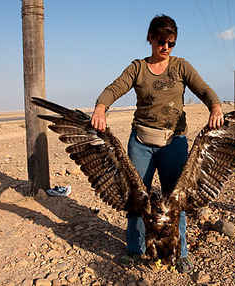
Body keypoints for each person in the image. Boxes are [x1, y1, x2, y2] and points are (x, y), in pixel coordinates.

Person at [91, 14, 224, 273]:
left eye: (171, 43)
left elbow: (204, 89)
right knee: (137, 200)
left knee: (177, 201)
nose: (165, 48)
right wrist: (100, 107)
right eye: (161, 41)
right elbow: (115, 88)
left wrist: (216, 107)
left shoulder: (181, 66)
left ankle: (181, 253)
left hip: (174, 143)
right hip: (141, 142)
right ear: (150, 38)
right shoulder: (137, 68)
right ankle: (134, 249)